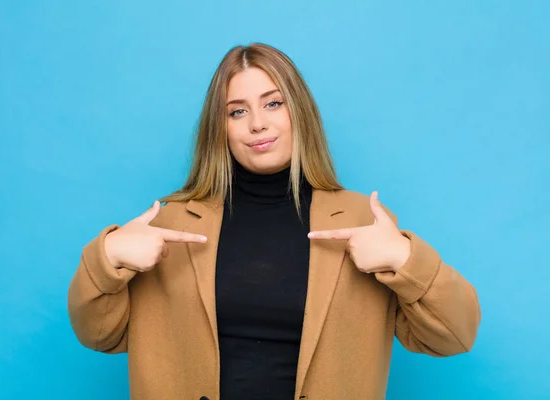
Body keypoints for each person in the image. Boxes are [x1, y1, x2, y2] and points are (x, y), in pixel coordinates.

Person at [67, 43, 481, 400]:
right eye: (236, 111)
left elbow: (454, 335)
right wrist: (106, 258)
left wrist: (406, 258)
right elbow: (99, 335)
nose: (257, 123)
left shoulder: (362, 221)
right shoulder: (169, 223)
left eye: (273, 103)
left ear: (299, 111)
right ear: (221, 128)